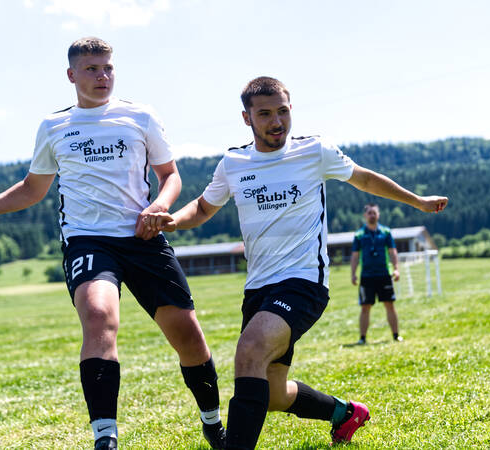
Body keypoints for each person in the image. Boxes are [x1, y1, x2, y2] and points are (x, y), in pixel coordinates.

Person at [0, 37, 225, 450]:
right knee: (97, 316)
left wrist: (160, 207)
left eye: (108, 67)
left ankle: (213, 423)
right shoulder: (54, 127)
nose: (102, 76)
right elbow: (32, 188)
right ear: (72, 75)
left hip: (143, 237)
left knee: (188, 336)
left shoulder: (140, 117)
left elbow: (171, 175)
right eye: (92, 69)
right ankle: (105, 438)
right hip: (87, 240)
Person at [143, 76, 448, 449]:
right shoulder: (233, 163)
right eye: (266, 114)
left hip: (304, 282)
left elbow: (365, 180)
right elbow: (204, 207)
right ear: (247, 118)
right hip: (258, 288)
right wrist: (174, 219)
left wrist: (416, 200)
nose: (277, 122)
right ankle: (344, 412)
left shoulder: (314, 151)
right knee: (271, 394)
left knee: (250, 350)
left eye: (283, 111)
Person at [350, 203, 402, 344]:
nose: (372, 215)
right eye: (369, 213)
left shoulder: (385, 232)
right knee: (365, 307)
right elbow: (355, 256)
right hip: (367, 276)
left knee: (390, 304)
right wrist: (353, 273)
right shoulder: (359, 234)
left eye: (374, 213)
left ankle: (396, 335)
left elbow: (392, 252)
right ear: (365, 216)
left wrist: (396, 269)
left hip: (384, 274)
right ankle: (362, 338)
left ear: (378, 215)